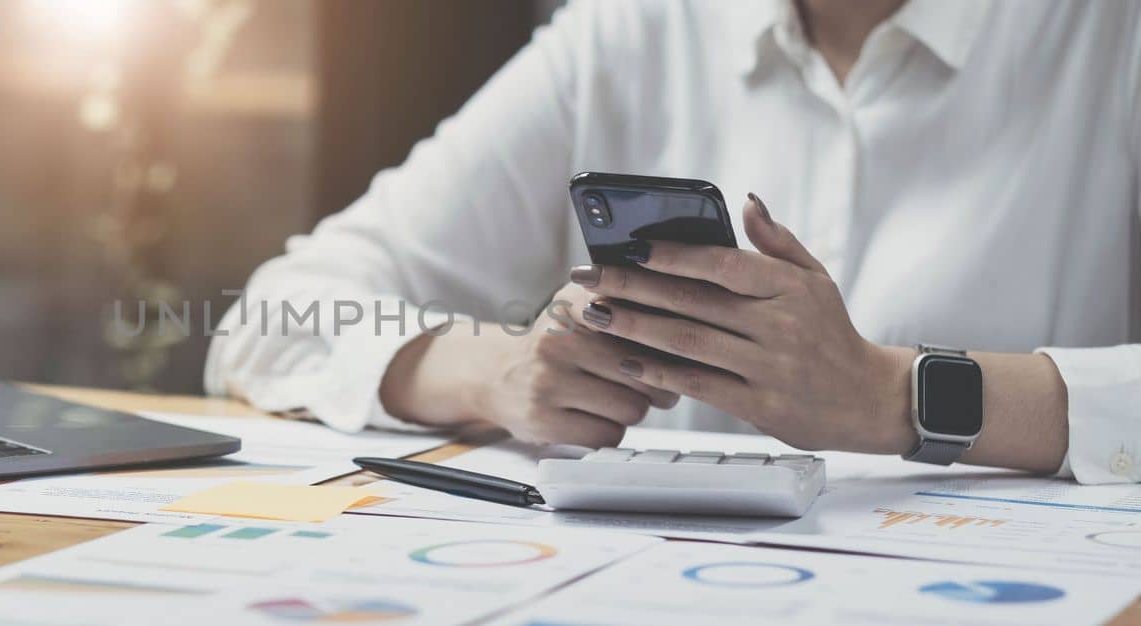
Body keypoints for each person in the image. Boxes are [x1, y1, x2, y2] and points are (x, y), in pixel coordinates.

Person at [205, 0, 1141, 484]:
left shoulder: (1110, 37)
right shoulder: (636, 28)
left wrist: (892, 396)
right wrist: (500, 373)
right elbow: (273, 315)